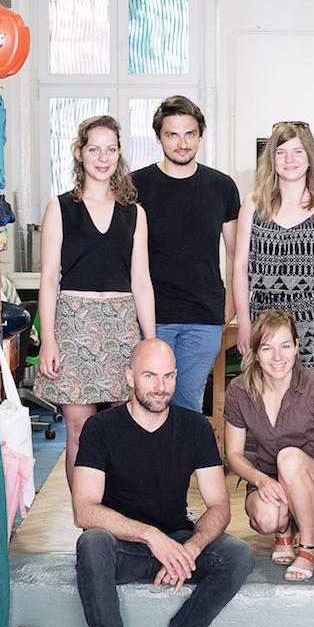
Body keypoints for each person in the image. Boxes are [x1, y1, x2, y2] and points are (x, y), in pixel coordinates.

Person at [73, 338, 254, 627]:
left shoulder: (194, 427)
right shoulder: (101, 428)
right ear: (129, 377)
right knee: (91, 544)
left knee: (237, 554)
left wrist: (191, 548)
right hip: (126, 546)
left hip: (176, 544)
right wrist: (149, 535)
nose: (160, 386)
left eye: (168, 376)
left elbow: (219, 505)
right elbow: (84, 510)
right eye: (150, 376)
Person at [35, 115, 155, 488]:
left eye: (110, 149)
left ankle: (121, 508)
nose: (103, 158)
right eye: (94, 149)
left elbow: (141, 281)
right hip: (74, 325)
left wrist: (150, 342)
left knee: (125, 427)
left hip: (121, 326)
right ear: (79, 153)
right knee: (80, 431)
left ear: (119, 154)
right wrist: (49, 339)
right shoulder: (60, 208)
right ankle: (85, 513)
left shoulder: (135, 213)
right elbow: (49, 278)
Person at [131, 96, 240, 412]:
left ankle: (182, 449)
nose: (182, 143)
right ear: (158, 137)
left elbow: (234, 254)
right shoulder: (136, 185)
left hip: (203, 317)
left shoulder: (221, 186)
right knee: (149, 403)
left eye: (190, 134)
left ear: (200, 136)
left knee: (188, 403)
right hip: (152, 316)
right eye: (172, 134)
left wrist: (229, 308)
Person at [233, 121, 314, 374]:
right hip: (265, 326)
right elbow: (239, 267)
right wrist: (244, 324)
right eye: (281, 152)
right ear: (271, 159)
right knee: (266, 397)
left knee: (313, 398)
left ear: (309, 158)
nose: (289, 160)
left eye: (297, 151)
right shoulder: (253, 205)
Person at [224, 308, 314, 581]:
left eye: (285, 346)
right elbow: (233, 453)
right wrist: (261, 480)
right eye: (267, 348)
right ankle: (284, 531)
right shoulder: (239, 390)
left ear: (296, 347)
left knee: (289, 457)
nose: (277, 357)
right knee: (266, 517)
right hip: (272, 483)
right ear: (256, 352)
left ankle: (308, 547)